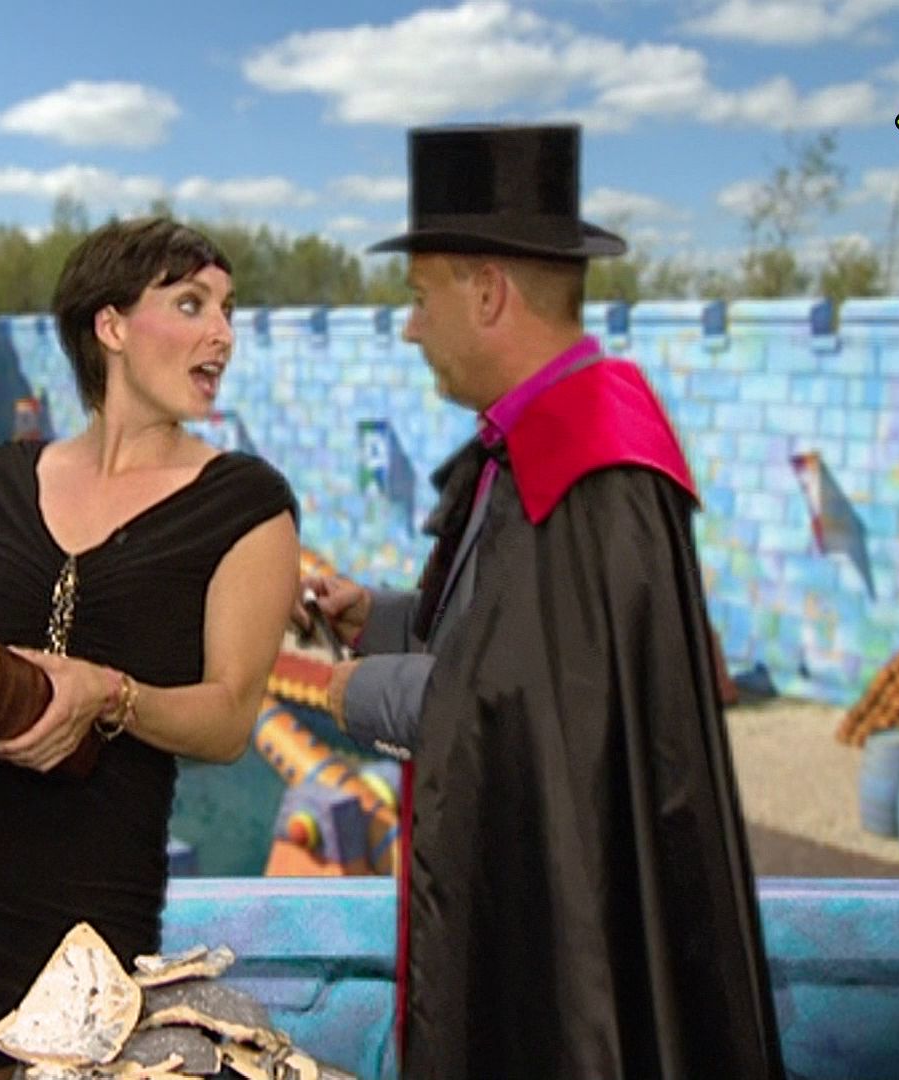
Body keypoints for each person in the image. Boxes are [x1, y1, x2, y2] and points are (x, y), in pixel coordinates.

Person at [307, 124, 784, 1079]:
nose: (410, 328)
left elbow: (522, 707)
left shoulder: (592, 467)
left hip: (572, 937)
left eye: (420, 297)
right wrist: (380, 617)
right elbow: (504, 638)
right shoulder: (541, 440)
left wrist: (354, 694)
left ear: (488, 292)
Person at [0, 217, 300, 1078]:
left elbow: (228, 720)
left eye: (227, 310)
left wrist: (109, 693)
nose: (222, 333)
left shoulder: (247, 507)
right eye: (192, 304)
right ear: (112, 327)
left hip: (88, 922)